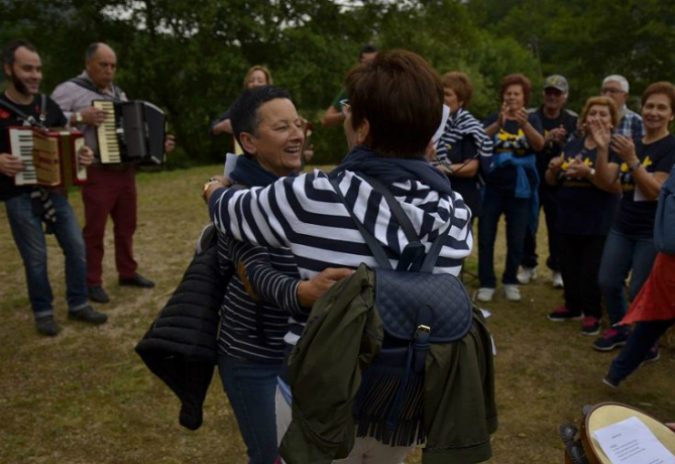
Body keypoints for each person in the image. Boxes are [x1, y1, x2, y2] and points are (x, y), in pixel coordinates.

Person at [205, 50, 495, 464]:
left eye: (348, 111)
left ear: (363, 128)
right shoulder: (457, 217)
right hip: (401, 400)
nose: (342, 118)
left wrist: (213, 187)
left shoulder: (313, 196)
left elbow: (228, 212)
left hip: (322, 396)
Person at [205, 85, 352, 464]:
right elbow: (253, 272)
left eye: (298, 124)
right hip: (254, 359)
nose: (298, 134)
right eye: (282, 127)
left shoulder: (302, 189)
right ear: (248, 142)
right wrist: (302, 292)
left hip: (303, 354)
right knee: (272, 456)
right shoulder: (236, 197)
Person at [51, 42, 174, 304]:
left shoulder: (119, 93)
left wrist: (158, 143)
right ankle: (91, 281)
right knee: (94, 230)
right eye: (103, 65)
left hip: (124, 170)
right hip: (96, 169)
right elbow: (47, 116)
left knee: (127, 226)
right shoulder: (69, 89)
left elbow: (134, 131)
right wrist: (77, 117)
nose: (109, 71)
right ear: (88, 64)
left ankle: (127, 272)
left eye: (113, 66)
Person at [0, 39, 107, 335]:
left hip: (55, 192)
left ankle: (78, 304)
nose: (34, 75)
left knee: (76, 247)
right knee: (36, 258)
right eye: (27, 69)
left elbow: (70, 143)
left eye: (38, 69)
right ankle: (44, 312)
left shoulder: (49, 107)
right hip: (18, 195)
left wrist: (83, 155)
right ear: (9, 69)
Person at [593, 82, 675, 351]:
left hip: (652, 232)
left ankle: (644, 345)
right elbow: (606, 182)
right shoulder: (632, 143)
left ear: (671, 115)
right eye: (650, 106)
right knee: (607, 280)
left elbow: (656, 191)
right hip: (622, 225)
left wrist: (633, 160)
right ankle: (620, 328)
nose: (653, 112)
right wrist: (604, 149)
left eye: (661, 107)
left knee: (639, 289)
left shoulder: (670, 147)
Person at [545, 97, 621, 336]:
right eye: (592, 113)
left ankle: (592, 313)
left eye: (603, 114)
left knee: (591, 269)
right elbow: (551, 182)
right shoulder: (573, 144)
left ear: (612, 121)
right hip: (568, 215)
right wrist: (553, 169)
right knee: (568, 264)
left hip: (597, 219)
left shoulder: (615, 147)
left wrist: (587, 172)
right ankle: (572, 305)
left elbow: (612, 186)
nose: (597, 118)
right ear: (585, 118)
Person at [478, 74, 545, 302]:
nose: (512, 97)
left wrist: (524, 124)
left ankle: (510, 280)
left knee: (516, 237)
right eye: (508, 93)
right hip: (493, 186)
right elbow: (478, 139)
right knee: (486, 235)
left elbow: (539, 145)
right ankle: (486, 281)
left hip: (521, 188)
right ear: (502, 97)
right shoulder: (494, 118)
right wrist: (498, 123)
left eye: (517, 93)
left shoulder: (532, 119)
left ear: (525, 97)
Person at [518, 75, 578, 288]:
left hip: (558, 182)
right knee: (527, 225)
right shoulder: (530, 115)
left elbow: (578, 149)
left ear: (565, 96)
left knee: (556, 227)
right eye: (549, 92)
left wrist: (562, 144)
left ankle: (557, 268)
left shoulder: (573, 119)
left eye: (557, 93)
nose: (552, 96)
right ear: (543, 94)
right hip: (531, 179)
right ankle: (528, 264)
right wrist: (546, 137)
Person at [433, 71, 492, 223]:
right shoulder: (437, 123)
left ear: (461, 100)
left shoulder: (468, 127)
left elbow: (471, 168)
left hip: (461, 198)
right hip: (437, 194)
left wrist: (443, 168)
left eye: (448, 94)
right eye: (441, 93)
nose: (442, 99)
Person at [320, 44, 378, 128]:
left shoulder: (388, 87)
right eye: (368, 64)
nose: (372, 68)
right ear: (360, 65)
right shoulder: (353, 89)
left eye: (375, 63)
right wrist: (351, 113)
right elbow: (326, 120)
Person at [209, 65, 273, 137]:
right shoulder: (240, 106)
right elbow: (213, 127)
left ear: (267, 85)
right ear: (247, 84)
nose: (255, 84)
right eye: (251, 81)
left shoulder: (276, 104)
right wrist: (222, 126)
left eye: (260, 81)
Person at [601, 74, 644, 141]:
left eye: (613, 91)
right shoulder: (592, 118)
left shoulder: (636, 121)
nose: (607, 94)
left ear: (625, 96)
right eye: (604, 91)